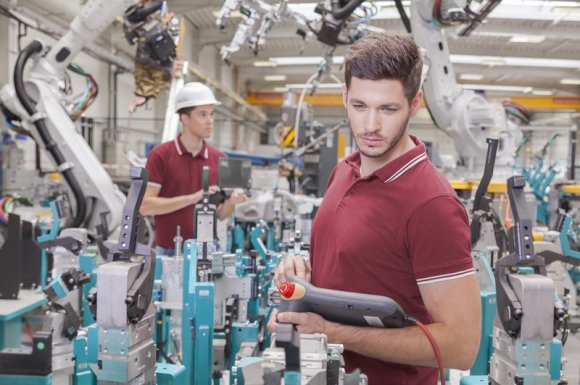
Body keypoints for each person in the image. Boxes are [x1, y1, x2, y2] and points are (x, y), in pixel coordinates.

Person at [267, 32, 481, 385]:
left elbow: (460, 346)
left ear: (414, 105)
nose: (370, 127)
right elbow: (355, 262)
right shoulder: (345, 170)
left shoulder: (432, 205)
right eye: (359, 106)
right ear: (344, 97)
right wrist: (303, 270)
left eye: (388, 109)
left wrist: (329, 332)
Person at [140, 82, 247, 256]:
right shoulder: (161, 155)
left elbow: (220, 215)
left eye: (212, 114)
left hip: (209, 249)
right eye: (202, 115)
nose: (210, 121)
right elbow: (145, 206)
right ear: (185, 118)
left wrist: (231, 202)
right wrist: (193, 198)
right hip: (169, 251)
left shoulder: (219, 158)